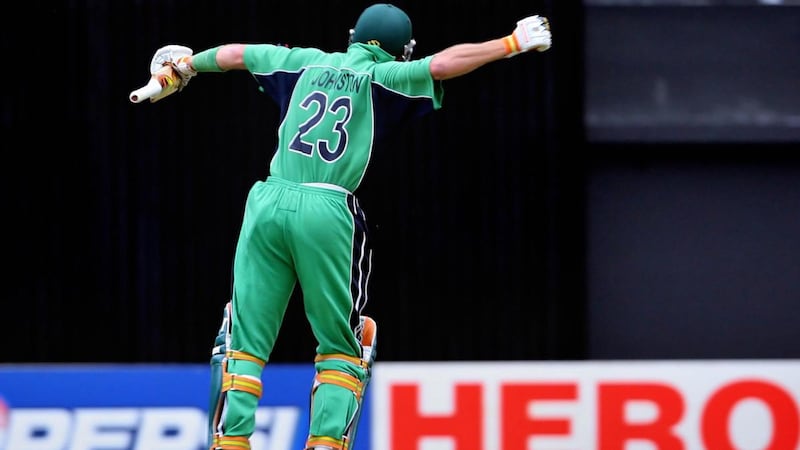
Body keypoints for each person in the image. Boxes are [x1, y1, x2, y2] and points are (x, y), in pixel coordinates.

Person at [146, 3, 551, 449]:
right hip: (328, 208)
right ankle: (325, 442)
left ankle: (231, 442)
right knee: (343, 344)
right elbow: (442, 64)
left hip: (266, 200)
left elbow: (235, 54)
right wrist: (510, 44)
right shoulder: (384, 76)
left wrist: (185, 65)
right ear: (400, 50)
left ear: (354, 35)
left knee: (243, 339)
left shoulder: (301, 60)